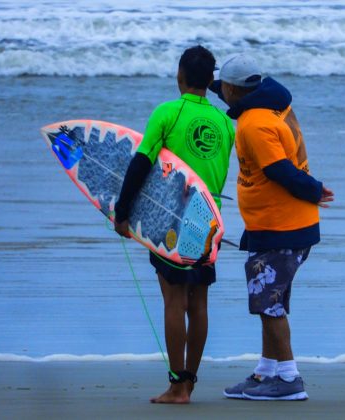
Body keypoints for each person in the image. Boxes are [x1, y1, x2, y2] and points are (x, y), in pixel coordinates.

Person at [114, 46, 235, 404]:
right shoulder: (226, 124)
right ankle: (190, 383)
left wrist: (122, 212)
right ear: (211, 80)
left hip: (171, 217)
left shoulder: (167, 112)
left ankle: (176, 385)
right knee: (199, 302)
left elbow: (140, 163)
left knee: (173, 300)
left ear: (179, 75)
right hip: (208, 218)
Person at [210, 54, 334, 401]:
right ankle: (266, 372)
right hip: (278, 222)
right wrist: (207, 76)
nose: (222, 93)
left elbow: (278, 169)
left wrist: (313, 189)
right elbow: (231, 90)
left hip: (284, 225)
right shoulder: (274, 103)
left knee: (269, 304)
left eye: (224, 88)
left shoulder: (254, 123)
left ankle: (290, 379)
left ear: (234, 89)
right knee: (270, 301)